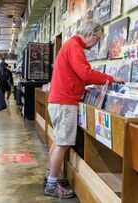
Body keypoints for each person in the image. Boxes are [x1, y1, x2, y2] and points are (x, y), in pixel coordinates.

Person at [44, 20, 125, 198]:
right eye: (97, 38)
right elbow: (86, 73)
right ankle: (51, 183)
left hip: (60, 100)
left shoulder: (71, 45)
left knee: (59, 141)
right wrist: (111, 78)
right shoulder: (74, 46)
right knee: (62, 143)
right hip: (65, 102)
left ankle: (51, 176)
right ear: (90, 33)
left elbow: (79, 75)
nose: (97, 42)